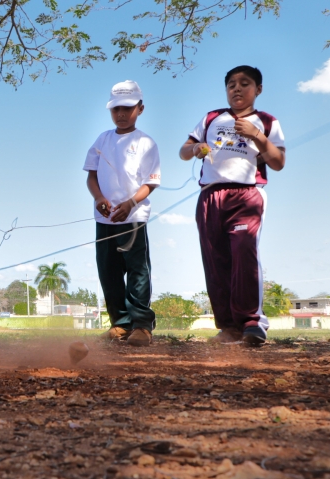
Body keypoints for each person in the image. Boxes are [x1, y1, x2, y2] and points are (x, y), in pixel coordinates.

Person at [179, 65, 286, 346]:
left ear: (258, 89)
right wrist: (195, 149)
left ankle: (251, 322)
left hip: (247, 196)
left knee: (243, 251)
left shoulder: (266, 121)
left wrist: (257, 136)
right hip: (211, 197)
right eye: (231, 84)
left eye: (245, 83)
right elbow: (184, 150)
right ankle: (227, 327)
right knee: (215, 260)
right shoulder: (212, 117)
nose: (237, 88)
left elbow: (278, 162)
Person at [84, 81, 161, 347]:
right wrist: (99, 199)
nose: (121, 114)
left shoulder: (145, 142)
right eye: (116, 108)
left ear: (140, 108)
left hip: (133, 218)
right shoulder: (102, 140)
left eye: (128, 108)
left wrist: (130, 204)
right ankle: (120, 323)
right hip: (105, 218)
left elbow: (149, 183)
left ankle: (141, 325)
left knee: (137, 270)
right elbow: (91, 177)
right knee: (108, 271)